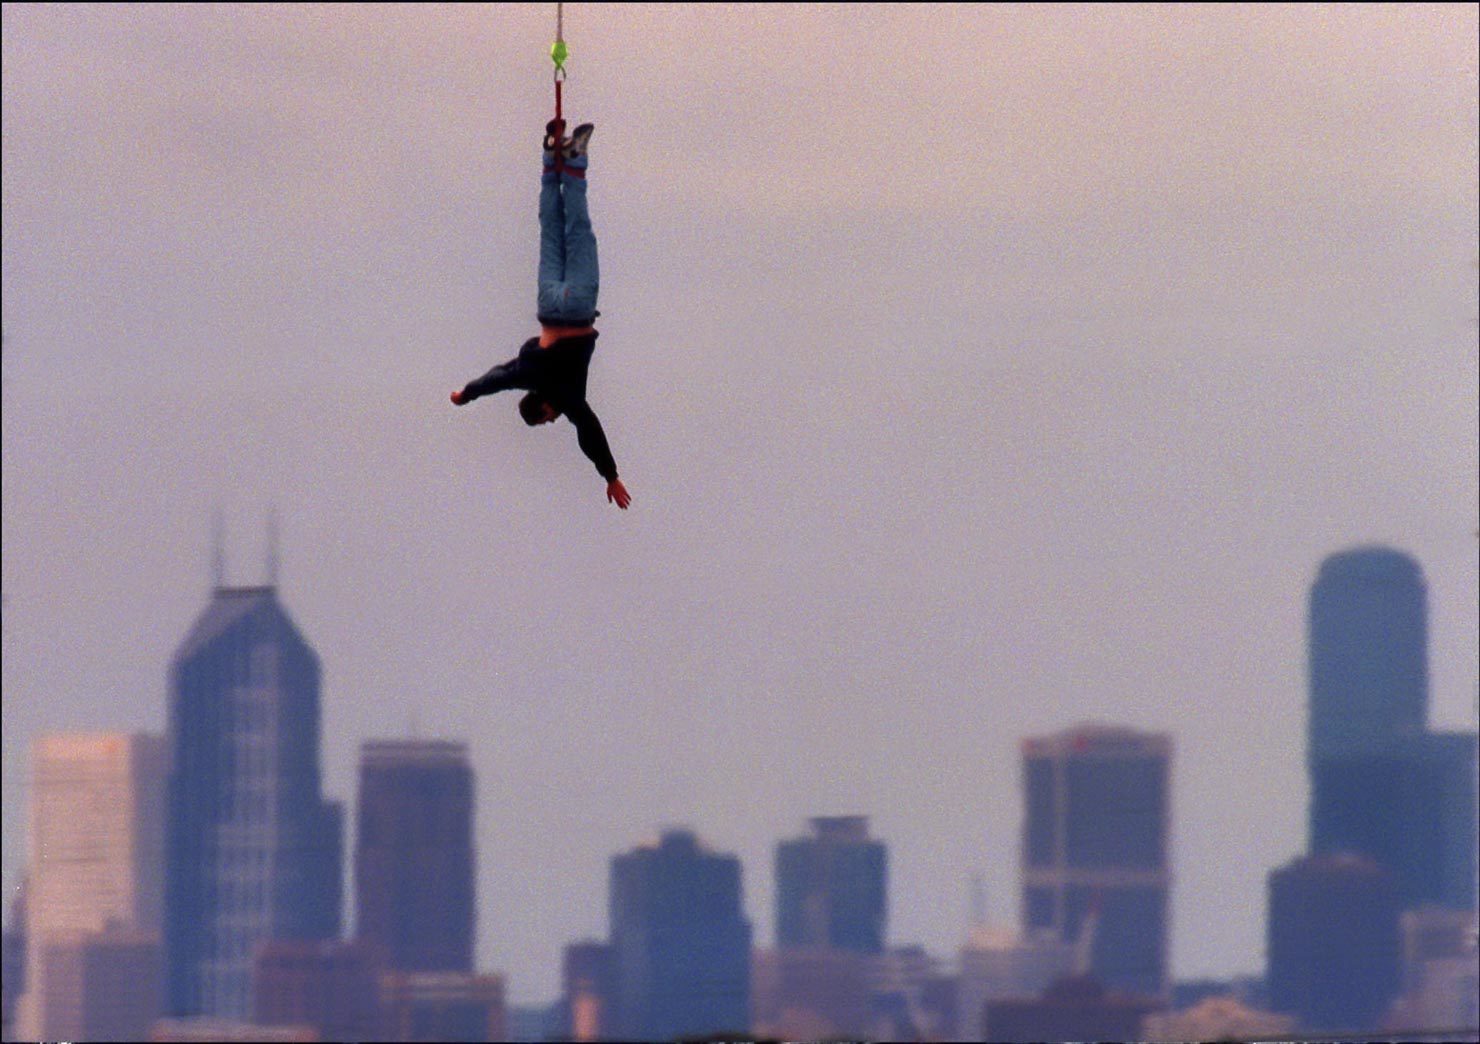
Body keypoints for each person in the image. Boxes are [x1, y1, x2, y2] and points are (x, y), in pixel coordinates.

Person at [451, 120, 631, 510]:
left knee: (579, 231)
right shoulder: (525, 373)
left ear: (544, 406)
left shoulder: (564, 395)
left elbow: (589, 430)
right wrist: (466, 393)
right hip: (549, 307)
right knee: (550, 230)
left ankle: (576, 160)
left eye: (548, 419)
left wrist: (611, 475)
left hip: (580, 308)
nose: (554, 420)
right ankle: (551, 160)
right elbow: (495, 379)